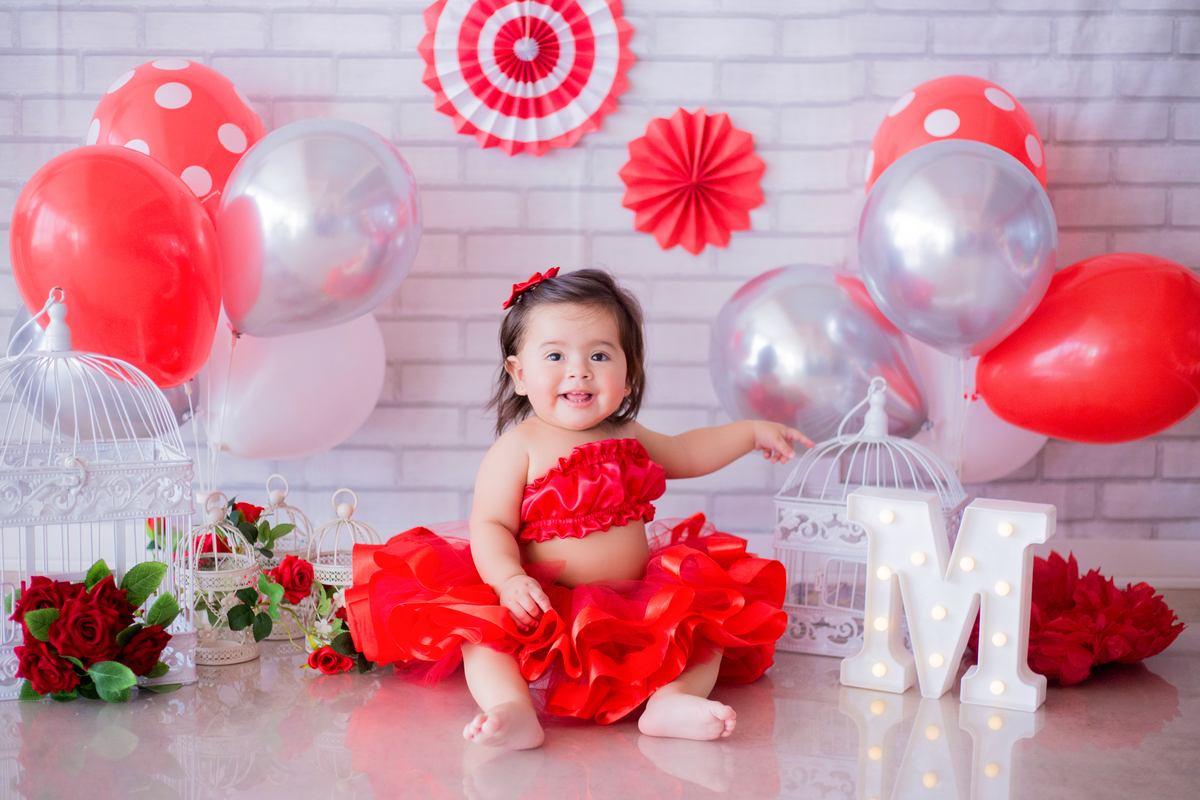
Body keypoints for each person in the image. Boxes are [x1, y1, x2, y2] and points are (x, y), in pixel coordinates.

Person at [345, 268, 812, 750]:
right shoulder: (519, 446)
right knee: (480, 635)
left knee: (706, 623)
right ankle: (511, 709)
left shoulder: (627, 435)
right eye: (555, 355)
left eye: (599, 354)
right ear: (519, 374)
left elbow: (690, 452)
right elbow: (491, 524)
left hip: (634, 601)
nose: (579, 370)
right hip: (542, 603)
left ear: (628, 374)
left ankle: (671, 701)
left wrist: (750, 432)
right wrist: (509, 581)